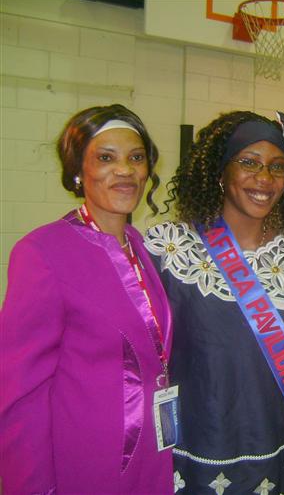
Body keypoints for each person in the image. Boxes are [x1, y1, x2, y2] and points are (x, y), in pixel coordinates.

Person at [145, 110, 284, 494]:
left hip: (280, 450)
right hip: (195, 452)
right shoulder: (170, 249)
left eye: (277, 167)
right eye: (249, 163)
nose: (264, 179)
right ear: (220, 172)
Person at [0, 104, 174, 493]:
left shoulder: (140, 246)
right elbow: (19, 392)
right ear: (78, 170)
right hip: (86, 458)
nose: (125, 170)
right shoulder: (43, 251)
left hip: (154, 451)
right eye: (106, 158)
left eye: (136, 157)